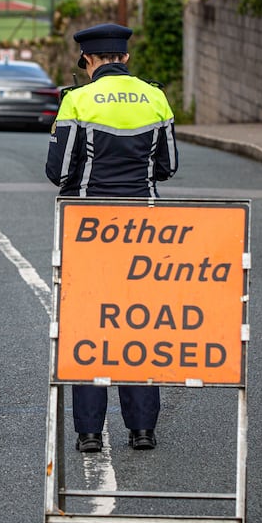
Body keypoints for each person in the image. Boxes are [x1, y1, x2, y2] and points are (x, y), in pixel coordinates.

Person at [45, 23, 178, 453]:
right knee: (139, 321)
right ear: (125, 57)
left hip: (88, 229)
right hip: (146, 228)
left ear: (87, 60)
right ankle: (142, 429)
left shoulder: (77, 101)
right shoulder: (155, 97)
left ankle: (88, 433)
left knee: (89, 323)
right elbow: (168, 165)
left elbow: (59, 171)